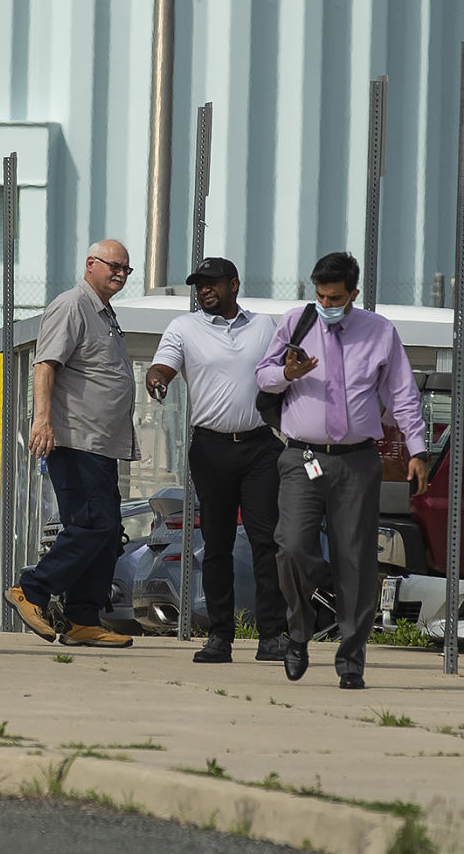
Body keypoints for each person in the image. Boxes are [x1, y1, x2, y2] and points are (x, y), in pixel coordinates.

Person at [254, 252, 431, 690]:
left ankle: (351, 659)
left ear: (353, 293)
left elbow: (403, 393)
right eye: (319, 294)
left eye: (334, 296)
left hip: (356, 460)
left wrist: (417, 448)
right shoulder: (297, 322)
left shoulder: (379, 332)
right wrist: (286, 373)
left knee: (356, 561)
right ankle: (299, 629)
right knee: (292, 545)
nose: (326, 302)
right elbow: (262, 377)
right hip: (303, 457)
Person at [145, 257, 288, 664]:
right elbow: (162, 367)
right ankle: (220, 637)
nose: (204, 290)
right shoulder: (184, 328)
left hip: (260, 447)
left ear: (234, 284)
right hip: (211, 449)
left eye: (212, 283)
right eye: (198, 285)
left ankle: (272, 636)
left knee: (266, 541)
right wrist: (156, 380)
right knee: (217, 543)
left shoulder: (264, 326)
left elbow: (281, 375)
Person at [5, 240, 138, 649]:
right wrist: (41, 420)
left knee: (107, 530)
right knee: (92, 524)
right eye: (113, 266)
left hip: (102, 442)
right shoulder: (71, 305)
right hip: (75, 438)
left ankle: (83, 618)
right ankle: (33, 588)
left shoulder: (105, 312)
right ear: (90, 264)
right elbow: (46, 364)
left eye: (125, 270)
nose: (119, 273)